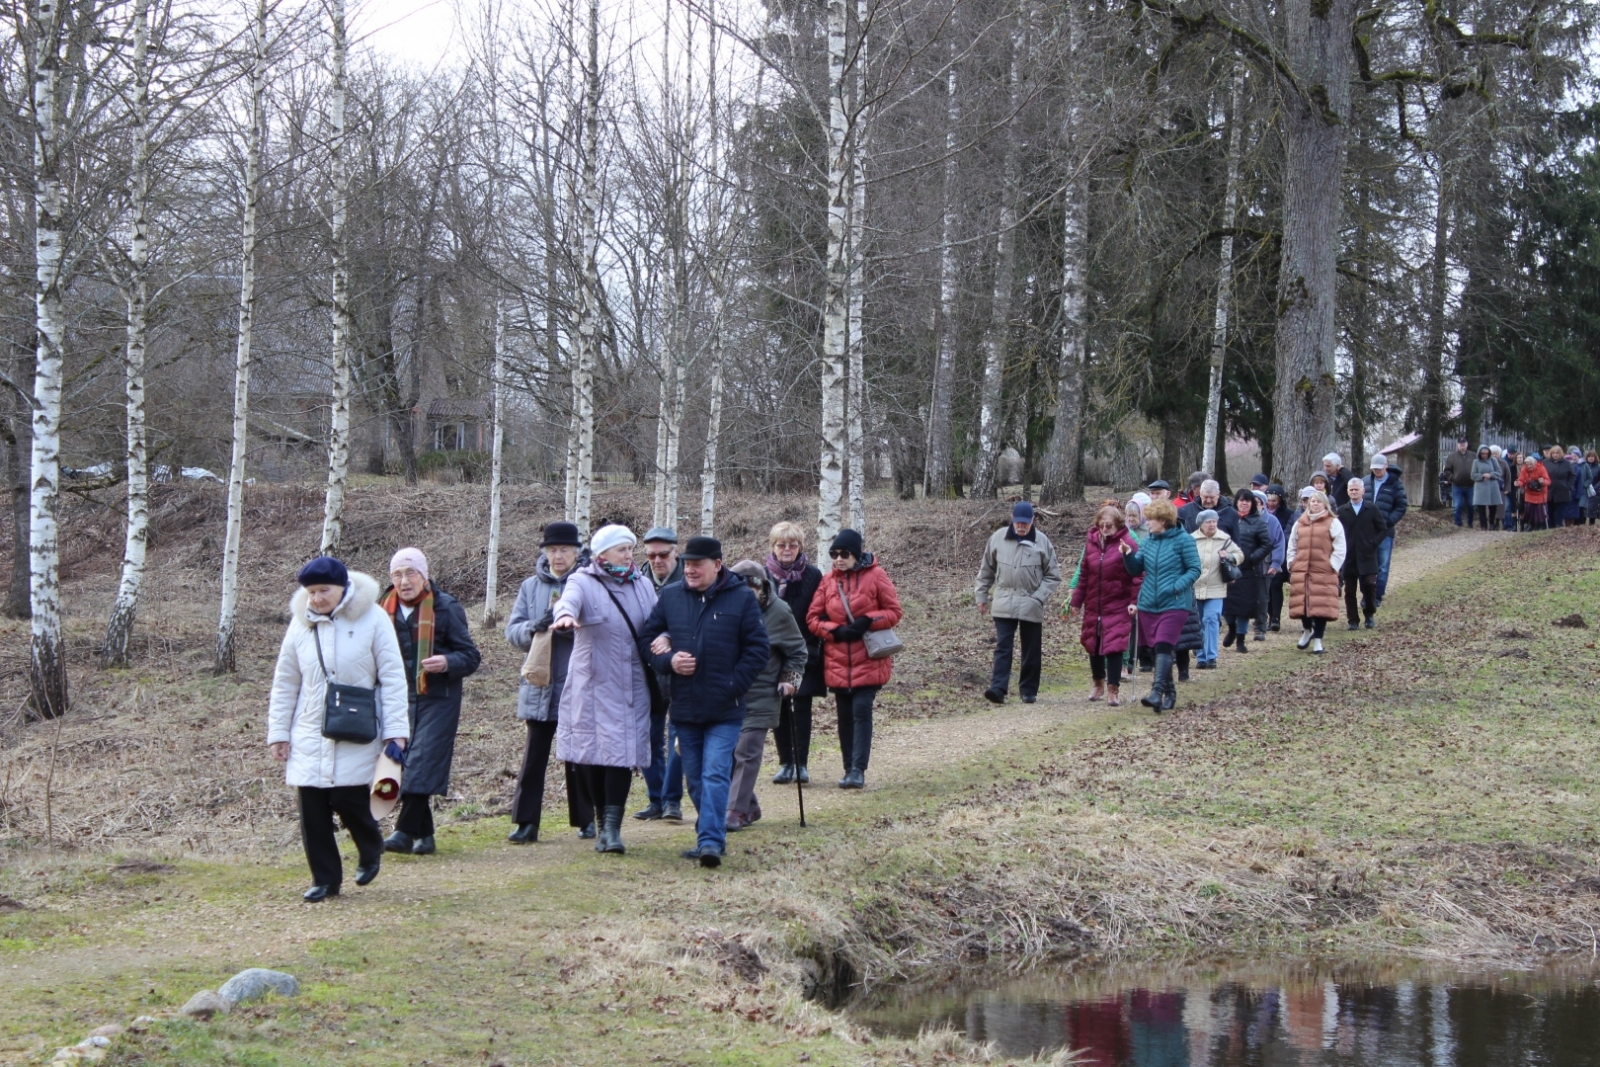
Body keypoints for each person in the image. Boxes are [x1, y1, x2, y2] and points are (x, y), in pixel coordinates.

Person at [267, 557, 409, 902]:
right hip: (310, 727)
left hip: (357, 724)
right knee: (312, 807)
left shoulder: (373, 618)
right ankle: (325, 879)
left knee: (349, 799)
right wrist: (279, 733)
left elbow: (392, 677)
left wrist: (396, 732)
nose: (316, 598)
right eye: (311, 592)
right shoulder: (301, 625)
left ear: (342, 587)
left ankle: (370, 845)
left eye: (323, 590)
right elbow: (285, 681)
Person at [640, 536, 769, 866]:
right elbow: (645, 640)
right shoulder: (671, 596)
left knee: (714, 773)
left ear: (717, 565)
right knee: (695, 779)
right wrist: (668, 661)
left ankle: (710, 841)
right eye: (688, 563)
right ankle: (712, 833)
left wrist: (732, 686)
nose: (691, 570)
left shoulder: (741, 599)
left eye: (698, 564)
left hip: (726, 709)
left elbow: (758, 650)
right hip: (684, 707)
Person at [550, 525, 658, 856]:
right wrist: (566, 615)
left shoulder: (642, 583)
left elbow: (658, 619)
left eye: (630, 549)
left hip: (631, 684)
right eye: (622, 549)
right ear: (601, 555)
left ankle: (612, 829)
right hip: (592, 684)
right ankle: (600, 821)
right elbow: (567, 603)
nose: (629, 555)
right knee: (592, 758)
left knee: (621, 758)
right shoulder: (583, 580)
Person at [378, 549, 480, 858]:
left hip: (439, 697)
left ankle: (404, 831)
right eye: (397, 575)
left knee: (421, 760)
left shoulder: (446, 607)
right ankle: (426, 834)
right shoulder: (382, 610)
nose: (404, 581)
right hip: (399, 698)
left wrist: (447, 661)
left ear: (424, 575)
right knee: (402, 759)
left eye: (410, 573)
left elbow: (471, 656)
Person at [505, 521, 592, 844]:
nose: (558, 556)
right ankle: (526, 822)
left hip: (577, 682)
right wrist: (534, 627)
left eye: (564, 550)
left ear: (575, 552)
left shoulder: (587, 583)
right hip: (539, 685)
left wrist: (572, 627)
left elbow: (598, 627)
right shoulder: (530, 586)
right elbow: (511, 632)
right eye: (552, 550)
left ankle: (587, 819)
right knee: (533, 758)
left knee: (579, 755)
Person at [807, 529, 904, 788]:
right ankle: (848, 768)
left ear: (856, 554)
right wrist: (835, 631)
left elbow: (894, 612)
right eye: (834, 554)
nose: (839, 558)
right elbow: (813, 619)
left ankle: (858, 769)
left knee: (861, 710)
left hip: (869, 659)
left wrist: (867, 621)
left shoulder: (876, 576)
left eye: (845, 554)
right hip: (837, 661)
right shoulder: (828, 581)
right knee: (844, 714)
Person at [724, 560, 807, 832]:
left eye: (753, 586)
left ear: (763, 586)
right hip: (728, 693)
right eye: (741, 585)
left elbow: (797, 651)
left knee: (746, 751)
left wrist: (790, 680)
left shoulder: (779, 611)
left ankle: (734, 812)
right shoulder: (722, 608)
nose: (747, 591)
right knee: (726, 753)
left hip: (762, 692)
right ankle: (750, 806)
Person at [976, 500, 1062, 705]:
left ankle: (1029, 690)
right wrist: (982, 596)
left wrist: (1038, 597)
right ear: (1012, 520)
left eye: (1026, 522)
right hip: (1004, 601)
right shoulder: (997, 538)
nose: (1021, 526)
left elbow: (1053, 576)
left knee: (1031, 648)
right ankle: (998, 688)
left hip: (1031, 603)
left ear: (1033, 521)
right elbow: (986, 571)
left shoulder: (1042, 542)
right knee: (1003, 646)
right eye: (1018, 522)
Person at [1120, 500, 1200, 712]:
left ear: (1163, 521)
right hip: (1148, 604)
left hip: (1175, 604)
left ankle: (1156, 692)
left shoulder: (1184, 541)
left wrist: (1176, 586)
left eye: (1151, 519)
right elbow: (1136, 570)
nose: (1147, 522)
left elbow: (1194, 569)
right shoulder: (1148, 542)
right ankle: (1170, 692)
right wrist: (1127, 555)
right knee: (1158, 649)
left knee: (1164, 644)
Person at [766, 522, 825, 786]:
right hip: (772, 653)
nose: (787, 549)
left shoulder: (813, 575)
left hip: (804, 651)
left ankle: (801, 763)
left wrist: (809, 645)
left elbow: (819, 612)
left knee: (801, 706)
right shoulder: (763, 574)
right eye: (781, 544)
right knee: (779, 707)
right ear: (773, 547)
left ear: (800, 546)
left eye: (792, 544)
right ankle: (785, 762)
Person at [1066, 504, 1141, 706]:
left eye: (1109, 525)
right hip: (1094, 602)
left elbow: (1137, 575)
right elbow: (1084, 576)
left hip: (1118, 602)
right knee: (1093, 644)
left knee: (1114, 646)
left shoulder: (1127, 543)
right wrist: (1076, 602)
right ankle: (1098, 683)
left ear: (1117, 525)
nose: (1105, 528)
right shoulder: (1091, 543)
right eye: (1102, 525)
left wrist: (1134, 601)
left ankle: (1113, 689)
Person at [636, 526, 685, 823]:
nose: (657, 560)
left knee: (678, 739)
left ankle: (671, 801)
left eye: (663, 554)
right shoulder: (637, 582)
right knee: (648, 738)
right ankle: (657, 798)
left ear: (676, 552)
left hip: (680, 671)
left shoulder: (691, 579)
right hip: (647, 672)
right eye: (651, 555)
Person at [1285, 488, 1346, 654]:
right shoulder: (1300, 522)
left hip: (1323, 571)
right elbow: (1292, 544)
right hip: (1302, 571)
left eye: (1318, 501)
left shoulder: (1333, 522)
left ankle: (1318, 640)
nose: (1315, 504)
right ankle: (1306, 630)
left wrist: (1332, 565)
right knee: (1302, 605)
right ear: (1307, 504)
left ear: (1324, 504)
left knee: (1321, 607)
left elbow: (1340, 547)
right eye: (1312, 501)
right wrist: (1291, 562)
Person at [1189, 509, 1243, 669]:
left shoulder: (1224, 539)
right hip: (1195, 588)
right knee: (1198, 623)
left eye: (1214, 521)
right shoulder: (1191, 539)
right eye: (1208, 522)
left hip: (1216, 588)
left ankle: (1212, 656)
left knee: (1211, 619)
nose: (1212, 524)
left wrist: (1230, 557)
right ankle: (1201, 657)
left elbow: (1240, 554)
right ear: (1201, 524)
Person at [1336, 478, 1388, 631]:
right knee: (1349, 590)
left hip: (1367, 556)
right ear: (1347, 492)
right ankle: (1353, 620)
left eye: (1356, 489)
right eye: (1351, 490)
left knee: (1369, 585)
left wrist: (1372, 543)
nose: (1354, 492)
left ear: (1363, 491)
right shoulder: (1342, 511)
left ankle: (1369, 614)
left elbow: (1383, 529)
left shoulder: (1372, 509)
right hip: (1349, 557)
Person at [1223, 492, 1271, 653]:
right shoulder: (1229, 520)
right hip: (1228, 569)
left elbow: (1266, 544)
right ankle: (1231, 628)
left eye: (1247, 501)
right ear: (1236, 502)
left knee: (1244, 608)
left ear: (1252, 504)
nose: (1244, 504)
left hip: (1248, 571)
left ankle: (1241, 639)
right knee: (1228, 606)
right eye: (1241, 501)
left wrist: (1252, 558)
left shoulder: (1258, 522)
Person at [1363, 454, 1408, 606]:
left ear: (1386, 466)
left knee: (1382, 566)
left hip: (1385, 532)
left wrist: (1388, 521)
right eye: (1374, 469)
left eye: (1379, 469)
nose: (1377, 472)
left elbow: (1401, 505)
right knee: (1366, 566)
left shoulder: (1395, 483)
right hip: (1366, 531)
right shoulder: (1365, 482)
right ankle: (1366, 595)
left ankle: (1377, 597)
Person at [1263, 484, 1294, 631]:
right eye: (1268, 500)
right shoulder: (1260, 514)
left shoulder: (1288, 514)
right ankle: (1270, 616)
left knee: (1275, 585)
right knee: (1267, 588)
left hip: (1282, 554)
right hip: (1265, 555)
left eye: (1274, 501)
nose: (1271, 503)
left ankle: (1276, 617)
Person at [1442, 437, 1477, 527]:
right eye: (1460, 443)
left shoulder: (1474, 456)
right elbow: (1446, 470)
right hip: (1457, 486)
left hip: (1471, 485)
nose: (1462, 445)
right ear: (1458, 445)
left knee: (1471, 505)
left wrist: (1475, 477)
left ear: (1467, 444)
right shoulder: (1452, 456)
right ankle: (1458, 523)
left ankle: (1470, 523)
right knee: (1457, 506)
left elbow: (1478, 468)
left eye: (1464, 443)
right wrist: (1453, 478)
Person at [1470, 446, 1503, 531]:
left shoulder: (1493, 460)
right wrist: (1482, 476)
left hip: (1492, 486)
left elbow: (1499, 472)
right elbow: (1473, 475)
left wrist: (1491, 475)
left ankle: (1492, 523)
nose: (1485, 455)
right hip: (1481, 487)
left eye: (1486, 453)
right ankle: (1483, 525)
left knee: (1493, 507)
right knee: (1481, 508)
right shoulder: (1476, 462)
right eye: (1483, 453)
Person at [1544, 446, 1578, 527]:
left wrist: (1568, 486)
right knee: (1550, 512)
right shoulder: (1546, 462)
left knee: (1559, 513)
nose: (1555, 455)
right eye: (1553, 453)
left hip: (1562, 491)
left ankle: (1558, 526)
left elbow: (1572, 475)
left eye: (1557, 453)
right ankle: (1550, 528)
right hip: (1549, 491)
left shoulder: (1566, 463)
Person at [1517, 453, 1551, 530]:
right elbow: (1521, 479)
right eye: (1527, 465)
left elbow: (1548, 481)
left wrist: (1542, 482)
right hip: (1530, 492)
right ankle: (1530, 525)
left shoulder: (1541, 468)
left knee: (1540, 511)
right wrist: (1519, 483)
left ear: (1534, 464)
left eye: (1530, 465)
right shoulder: (1524, 469)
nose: (1528, 466)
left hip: (1540, 493)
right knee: (1529, 510)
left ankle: (1540, 526)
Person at [1502, 449, 1523, 530]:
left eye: (1521, 458)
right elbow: (1508, 479)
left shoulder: (1526, 468)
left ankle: (1522, 525)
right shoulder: (1511, 468)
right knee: (1513, 508)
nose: (1520, 459)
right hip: (1513, 490)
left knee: (1522, 508)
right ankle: (1514, 525)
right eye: (1518, 458)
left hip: (1524, 490)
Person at [1581, 450, 1600, 525]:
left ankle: (1592, 525)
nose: (1591, 458)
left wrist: (1595, 487)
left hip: (1595, 491)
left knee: (1593, 510)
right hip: (1584, 490)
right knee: (1584, 509)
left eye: (1592, 457)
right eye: (1589, 457)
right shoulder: (1584, 466)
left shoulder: (1598, 467)